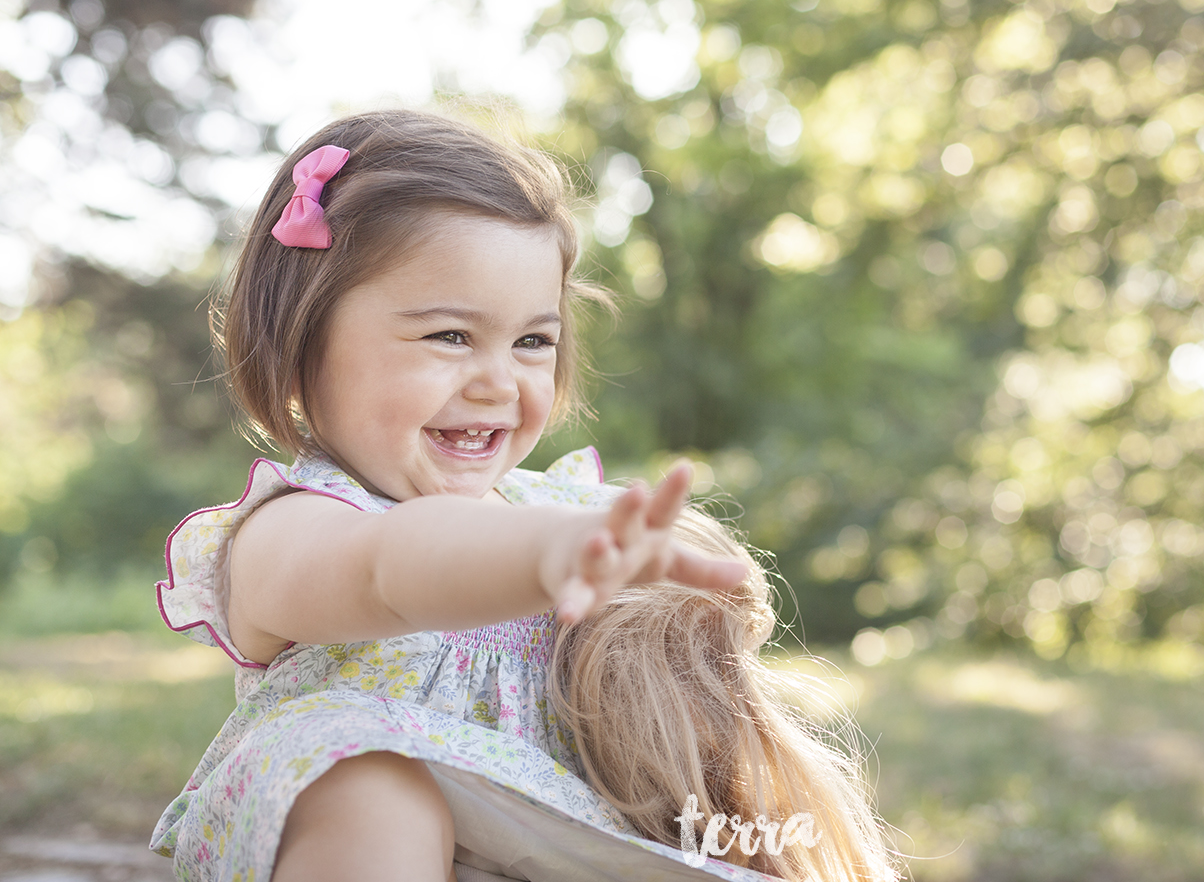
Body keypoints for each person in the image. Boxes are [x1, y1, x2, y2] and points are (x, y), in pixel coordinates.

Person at [148, 110, 899, 882]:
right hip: (385, 846)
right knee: (369, 786)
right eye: (449, 336)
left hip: (553, 845)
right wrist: (547, 551)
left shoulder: (564, 510)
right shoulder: (296, 529)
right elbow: (393, 567)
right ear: (301, 345)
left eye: (532, 342)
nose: (498, 382)